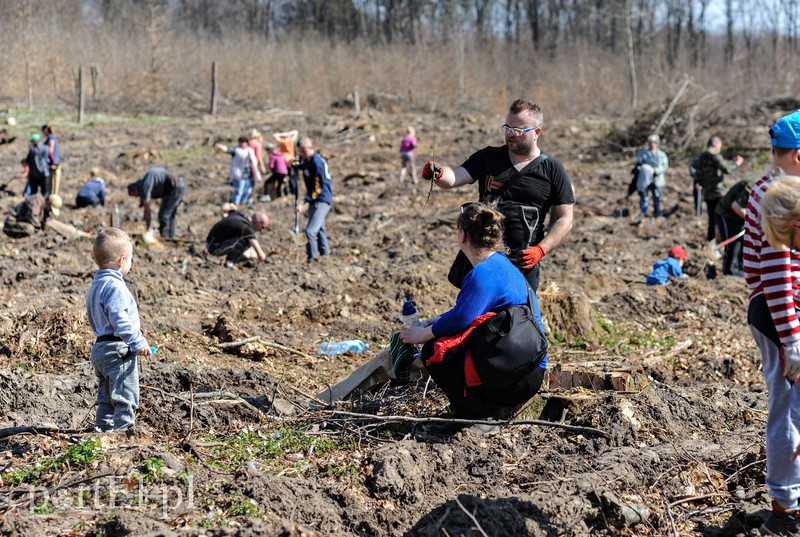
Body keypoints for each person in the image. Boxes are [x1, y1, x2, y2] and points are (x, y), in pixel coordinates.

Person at [398, 203, 548, 429]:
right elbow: (467, 312)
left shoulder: (482, 274)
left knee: (435, 351)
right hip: (528, 367)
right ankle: (472, 410)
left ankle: (478, 418)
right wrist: (435, 321)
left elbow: (461, 320)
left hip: (519, 377)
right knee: (449, 342)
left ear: (462, 235)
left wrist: (423, 334)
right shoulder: (499, 264)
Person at [422, 99, 575, 292]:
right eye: (507, 128)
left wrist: (541, 250)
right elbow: (454, 178)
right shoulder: (488, 157)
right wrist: (438, 173)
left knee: (518, 317)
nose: (510, 135)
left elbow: (565, 218)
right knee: (475, 314)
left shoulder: (553, 169)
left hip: (522, 262)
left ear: (537, 132)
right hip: (482, 256)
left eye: (518, 131)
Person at [743, 111, 800, 536]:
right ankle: (785, 506)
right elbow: (778, 274)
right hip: (782, 317)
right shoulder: (778, 195)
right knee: (789, 410)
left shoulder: (779, 186)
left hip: (783, 315)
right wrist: (793, 340)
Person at [86, 227, 151, 433]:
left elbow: (92, 316)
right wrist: (137, 341)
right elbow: (120, 319)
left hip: (100, 348)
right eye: (130, 260)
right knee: (125, 394)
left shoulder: (96, 286)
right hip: (118, 349)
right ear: (122, 261)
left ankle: (103, 430)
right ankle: (124, 432)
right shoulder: (115, 287)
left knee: (105, 396)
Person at [691, 136, 744, 244]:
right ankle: (724, 242)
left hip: (707, 193)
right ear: (716, 145)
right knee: (723, 218)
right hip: (718, 192)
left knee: (712, 219)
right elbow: (726, 169)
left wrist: (700, 183)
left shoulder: (700, 157)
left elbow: (695, 172)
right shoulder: (714, 156)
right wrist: (737, 163)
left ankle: (711, 241)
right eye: (720, 147)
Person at [296, 137, 333, 262]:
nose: (302, 155)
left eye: (304, 151)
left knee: (310, 231)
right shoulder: (308, 160)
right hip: (315, 200)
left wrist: (303, 202)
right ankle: (325, 256)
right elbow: (306, 167)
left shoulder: (317, 163)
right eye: (300, 152)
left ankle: (312, 259)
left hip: (321, 199)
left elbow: (318, 189)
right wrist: (298, 166)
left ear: (311, 148)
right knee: (320, 229)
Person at [127, 166, 186, 240]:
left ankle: (165, 237)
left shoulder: (144, 186)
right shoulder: (145, 181)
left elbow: (147, 210)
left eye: (134, 195)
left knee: (163, 215)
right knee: (170, 215)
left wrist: (148, 227)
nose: (136, 197)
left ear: (134, 189)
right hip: (179, 185)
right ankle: (170, 236)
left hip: (176, 187)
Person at [714, 177, 756, 276]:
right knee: (733, 244)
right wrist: (753, 222)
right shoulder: (750, 186)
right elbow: (736, 206)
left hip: (739, 218)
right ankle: (729, 270)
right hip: (726, 214)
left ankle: (739, 267)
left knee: (743, 242)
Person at [215, 137, 260, 206]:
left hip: (249, 175)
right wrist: (220, 146)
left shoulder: (250, 151)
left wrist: (256, 174)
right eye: (241, 142)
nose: (242, 144)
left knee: (247, 191)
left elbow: (254, 163)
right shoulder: (237, 150)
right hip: (239, 176)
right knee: (238, 191)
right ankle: (235, 205)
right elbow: (227, 149)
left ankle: (243, 204)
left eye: (244, 142)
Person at [634, 134, 669, 218]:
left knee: (656, 196)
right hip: (645, 179)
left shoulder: (661, 155)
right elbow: (638, 164)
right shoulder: (643, 153)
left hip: (656, 179)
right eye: (649, 142)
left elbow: (664, 165)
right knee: (644, 196)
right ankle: (643, 213)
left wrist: (656, 170)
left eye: (652, 143)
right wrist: (643, 169)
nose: (650, 144)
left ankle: (657, 213)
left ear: (656, 143)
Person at [24, 133, 52, 197]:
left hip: (34, 175)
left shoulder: (32, 150)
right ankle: (43, 205)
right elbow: (51, 158)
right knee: (45, 192)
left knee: (33, 192)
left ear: (35, 141)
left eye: (32, 141)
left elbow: (27, 161)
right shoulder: (46, 148)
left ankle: (35, 205)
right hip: (45, 174)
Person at [274, 130, 299, 196]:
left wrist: (282, 134)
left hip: (284, 162)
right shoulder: (291, 140)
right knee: (291, 176)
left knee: (286, 177)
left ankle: (288, 192)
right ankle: (292, 191)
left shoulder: (282, 141)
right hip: (291, 160)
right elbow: (296, 132)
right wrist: (289, 134)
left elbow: (275, 136)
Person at [42, 124, 60, 195]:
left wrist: (52, 161)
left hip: (52, 162)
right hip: (54, 161)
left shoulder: (51, 138)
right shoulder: (52, 137)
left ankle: (53, 196)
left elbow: (50, 150)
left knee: (52, 181)